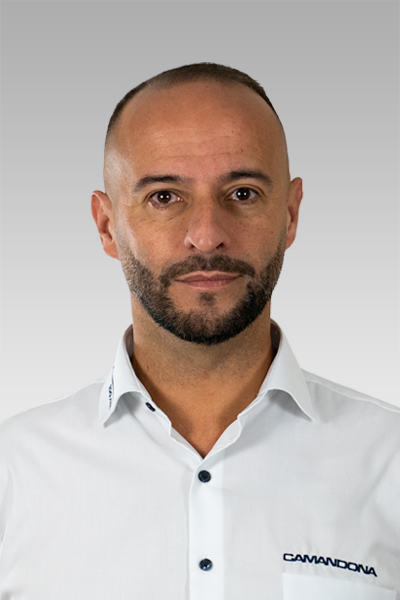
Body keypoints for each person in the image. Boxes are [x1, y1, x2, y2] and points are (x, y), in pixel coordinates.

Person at [0, 63, 399, 600]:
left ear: (290, 214)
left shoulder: (389, 460)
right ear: (107, 225)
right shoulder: (13, 471)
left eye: (243, 193)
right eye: (165, 196)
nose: (207, 236)